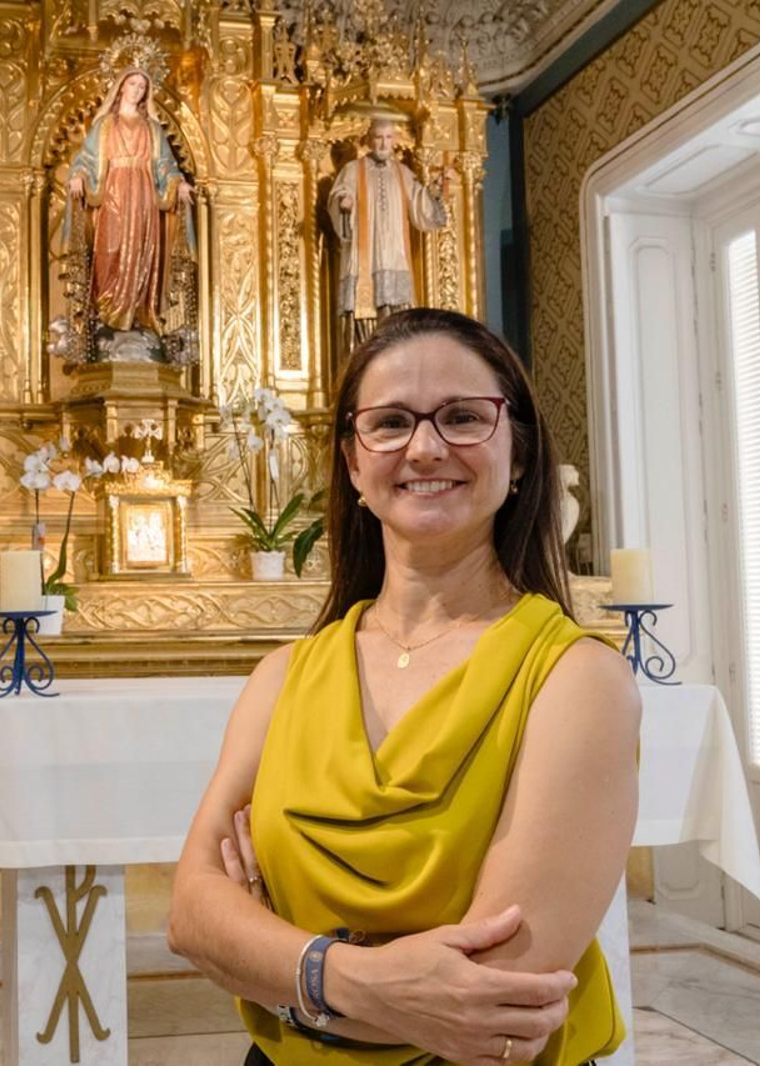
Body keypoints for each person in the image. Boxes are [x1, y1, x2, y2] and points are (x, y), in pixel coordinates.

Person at [168, 308, 640, 1066]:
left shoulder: (577, 681)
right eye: (389, 423)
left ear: (517, 453)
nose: (425, 447)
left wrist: (279, 971)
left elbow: (493, 1005)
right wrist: (353, 978)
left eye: (462, 417)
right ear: (354, 464)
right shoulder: (285, 676)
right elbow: (193, 913)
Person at [65, 68, 196, 337]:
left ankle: (138, 312)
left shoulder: (152, 128)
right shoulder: (104, 126)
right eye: (132, 83)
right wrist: (78, 175)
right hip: (113, 194)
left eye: (142, 87)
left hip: (144, 196)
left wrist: (178, 183)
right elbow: (86, 159)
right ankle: (108, 312)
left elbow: (165, 166)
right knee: (111, 250)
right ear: (121, 87)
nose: (137, 90)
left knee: (140, 252)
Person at [327, 119, 451, 340]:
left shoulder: (402, 173)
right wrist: (344, 204)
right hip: (365, 256)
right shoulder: (353, 170)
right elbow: (339, 196)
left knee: (398, 322)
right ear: (369, 140)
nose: (384, 144)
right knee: (364, 319)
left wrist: (434, 190)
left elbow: (419, 205)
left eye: (388, 137)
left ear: (394, 140)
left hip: (394, 256)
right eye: (378, 137)